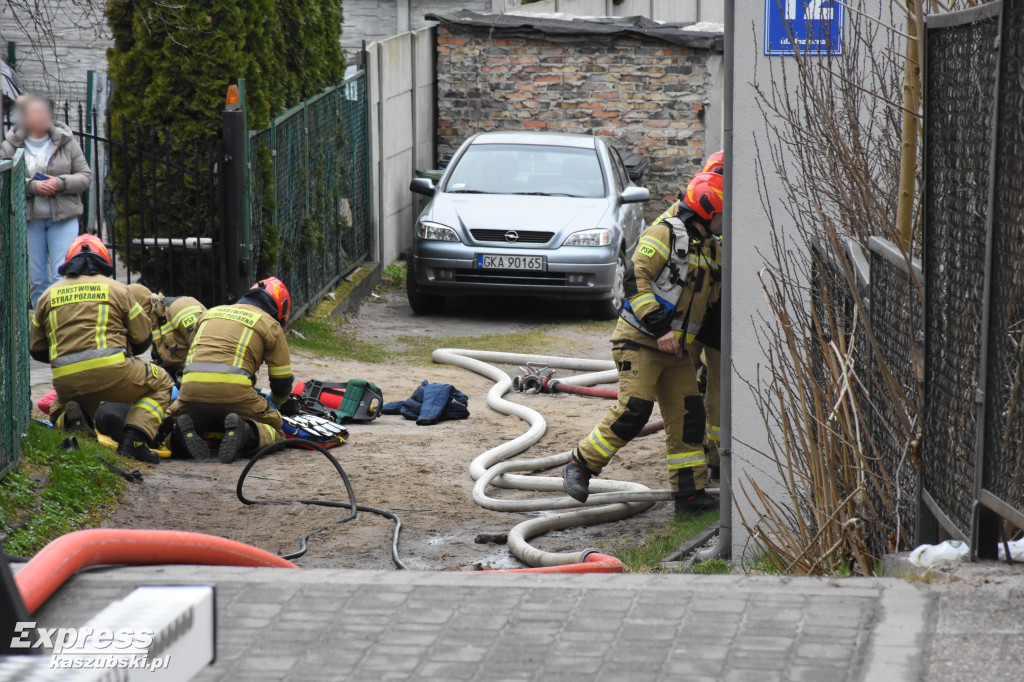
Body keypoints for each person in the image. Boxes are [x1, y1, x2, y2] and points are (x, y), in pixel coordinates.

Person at [562, 172, 724, 515]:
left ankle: (690, 494)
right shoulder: (664, 233)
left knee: (688, 417)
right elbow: (636, 278)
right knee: (634, 410)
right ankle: (580, 465)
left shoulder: (711, 248)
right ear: (707, 211)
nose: (725, 221)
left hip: (676, 350)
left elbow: (712, 305)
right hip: (641, 340)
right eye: (721, 214)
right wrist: (660, 327)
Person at [29, 234, 173, 464]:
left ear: (69, 261)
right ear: (103, 260)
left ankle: (72, 420)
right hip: (113, 372)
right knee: (162, 382)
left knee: (57, 407)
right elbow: (142, 341)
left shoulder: (48, 295)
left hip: (66, 378)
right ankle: (135, 439)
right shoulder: (117, 289)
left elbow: (36, 350)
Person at [169, 277, 298, 463]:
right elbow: (282, 381)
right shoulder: (270, 324)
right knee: (277, 428)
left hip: (190, 391)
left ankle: (178, 437)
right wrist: (276, 402)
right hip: (235, 393)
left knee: (181, 422)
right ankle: (245, 432)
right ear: (280, 309)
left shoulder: (209, 313)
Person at [1, 95, 93, 306]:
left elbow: (85, 176)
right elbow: (3, 178)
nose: (42, 117)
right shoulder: (11, 144)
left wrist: (59, 183)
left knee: (64, 275)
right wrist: (32, 186)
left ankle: (63, 326)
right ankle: (41, 328)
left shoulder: (66, 141)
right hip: (30, 220)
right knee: (37, 279)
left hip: (64, 217)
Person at [127, 284, 206, 383]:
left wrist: (182, 382)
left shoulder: (180, 308)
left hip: (200, 376)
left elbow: (204, 351)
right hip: (179, 376)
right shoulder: (152, 323)